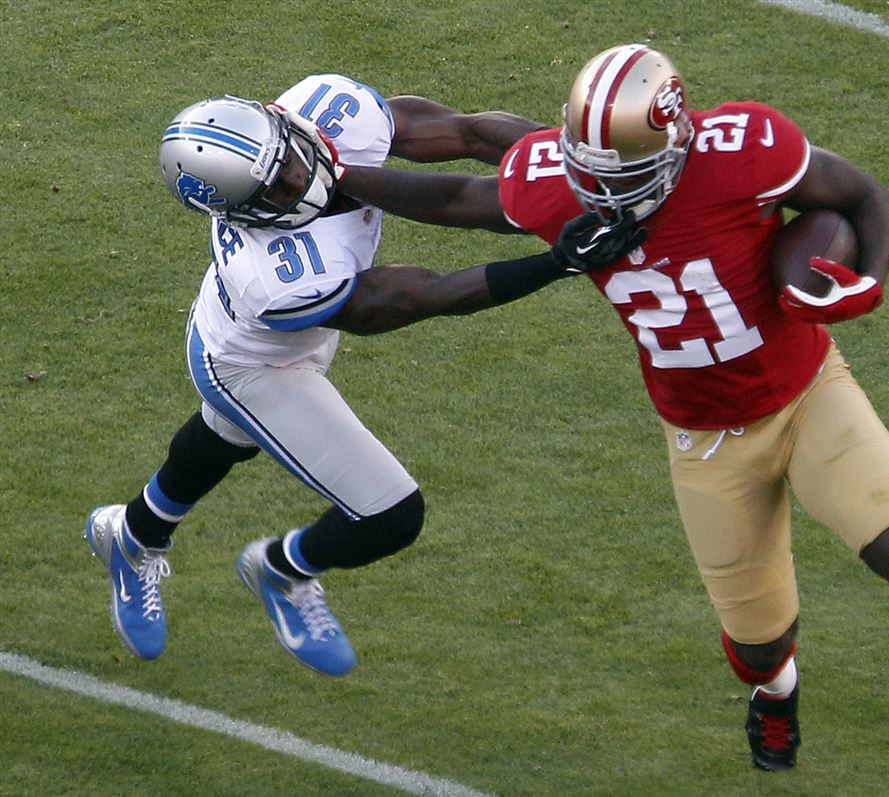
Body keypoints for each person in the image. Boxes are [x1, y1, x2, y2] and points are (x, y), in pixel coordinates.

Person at [335, 45, 889, 796]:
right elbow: (452, 202)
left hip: (808, 393)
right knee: (758, 648)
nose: (599, 193)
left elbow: (862, 196)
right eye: (588, 170)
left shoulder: (746, 149)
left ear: (676, 144)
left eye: (621, 178)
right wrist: (331, 179)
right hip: (703, 437)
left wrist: (868, 281)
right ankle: (776, 690)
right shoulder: (561, 182)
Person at [84, 73, 645, 678]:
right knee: (389, 513)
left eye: (290, 159)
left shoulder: (323, 112)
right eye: (274, 189)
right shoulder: (277, 275)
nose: (298, 179)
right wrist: (555, 262)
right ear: (238, 210)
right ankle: (284, 568)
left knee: (226, 438)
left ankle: (132, 534)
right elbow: (424, 296)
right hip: (253, 362)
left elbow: (470, 133)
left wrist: (583, 170)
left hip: (290, 323)